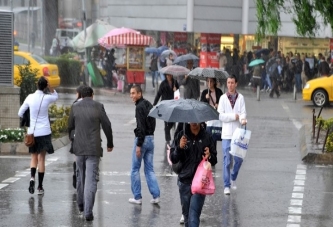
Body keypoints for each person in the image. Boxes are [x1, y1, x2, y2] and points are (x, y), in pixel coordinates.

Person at [67, 86, 114, 221]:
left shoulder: (75, 107)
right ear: (92, 95)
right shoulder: (98, 106)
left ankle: (81, 205)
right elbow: (107, 125)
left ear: (81, 95)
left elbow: (70, 126)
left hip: (79, 149)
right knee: (91, 180)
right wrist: (110, 143)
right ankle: (88, 212)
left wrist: (73, 138)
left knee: (80, 177)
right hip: (93, 149)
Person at [170, 123, 217, 227]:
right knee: (187, 218)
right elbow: (173, 158)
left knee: (193, 217)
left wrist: (209, 156)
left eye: (196, 120)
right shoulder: (181, 135)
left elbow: (214, 160)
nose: (194, 122)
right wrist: (179, 147)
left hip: (200, 183)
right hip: (184, 182)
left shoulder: (207, 136)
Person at [18, 77, 58, 195]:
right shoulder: (46, 97)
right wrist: (51, 87)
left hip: (32, 132)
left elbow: (20, 112)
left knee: (33, 157)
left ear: (37, 85)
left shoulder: (30, 97)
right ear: (45, 86)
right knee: (41, 159)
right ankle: (40, 187)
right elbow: (56, 96)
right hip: (44, 132)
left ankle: (31, 178)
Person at [128, 85, 160, 205]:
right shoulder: (148, 104)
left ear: (140, 94)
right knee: (149, 169)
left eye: (134, 93)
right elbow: (153, 122)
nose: (132, 96)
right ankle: (156, 195)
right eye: (131, 93)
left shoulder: (139, 107)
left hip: (142, 140)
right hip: (151, 139)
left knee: (135, 169)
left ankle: (137, 197)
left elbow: (141, 127)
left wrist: (139, 145)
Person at [217, 74, 247, 195]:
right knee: (227, 160)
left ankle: (233, 177)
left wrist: (243, 119)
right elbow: (220, 116)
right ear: (227, 84)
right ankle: (226, 185)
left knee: (239, 160)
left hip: (238, 134)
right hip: (226, 135)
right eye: (228, 83)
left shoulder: (241, 98)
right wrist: (233, 116)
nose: (230, 85)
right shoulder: (223, 98)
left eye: (232, 83)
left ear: (236, 84)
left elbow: (243, 113)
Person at [153, 73, 179, 144]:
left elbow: (177, 96)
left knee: (172, 121)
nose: (169, 76)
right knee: (166, 123)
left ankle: (170, 129)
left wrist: (176, 91)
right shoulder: (163, 84)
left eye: (170, 75)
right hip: (165, 106)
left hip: (173, 105)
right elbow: (158, 94)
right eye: (167, 75)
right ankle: (168, 139)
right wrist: (154, 104)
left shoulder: (175, 83)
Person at [69, 85, 86, 189]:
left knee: (76, 156)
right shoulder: (90, 104)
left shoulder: (75, 104)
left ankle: (76, 174)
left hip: (76, 134)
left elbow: (71, 122)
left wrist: (70, 134)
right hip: (86, 134)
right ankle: (82, 175)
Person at [200, 78, 223, 148]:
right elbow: (201, 105)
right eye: (208, 81)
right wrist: (205, 99)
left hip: (215, 116)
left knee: (213, 135)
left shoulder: (219, 91)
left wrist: (218, 105)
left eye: (211, 81)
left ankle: (213, 153)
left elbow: (222, 103)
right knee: (206, 135)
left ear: (214, 82)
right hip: (207, 117)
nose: (209, 83)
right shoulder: (204, 92)